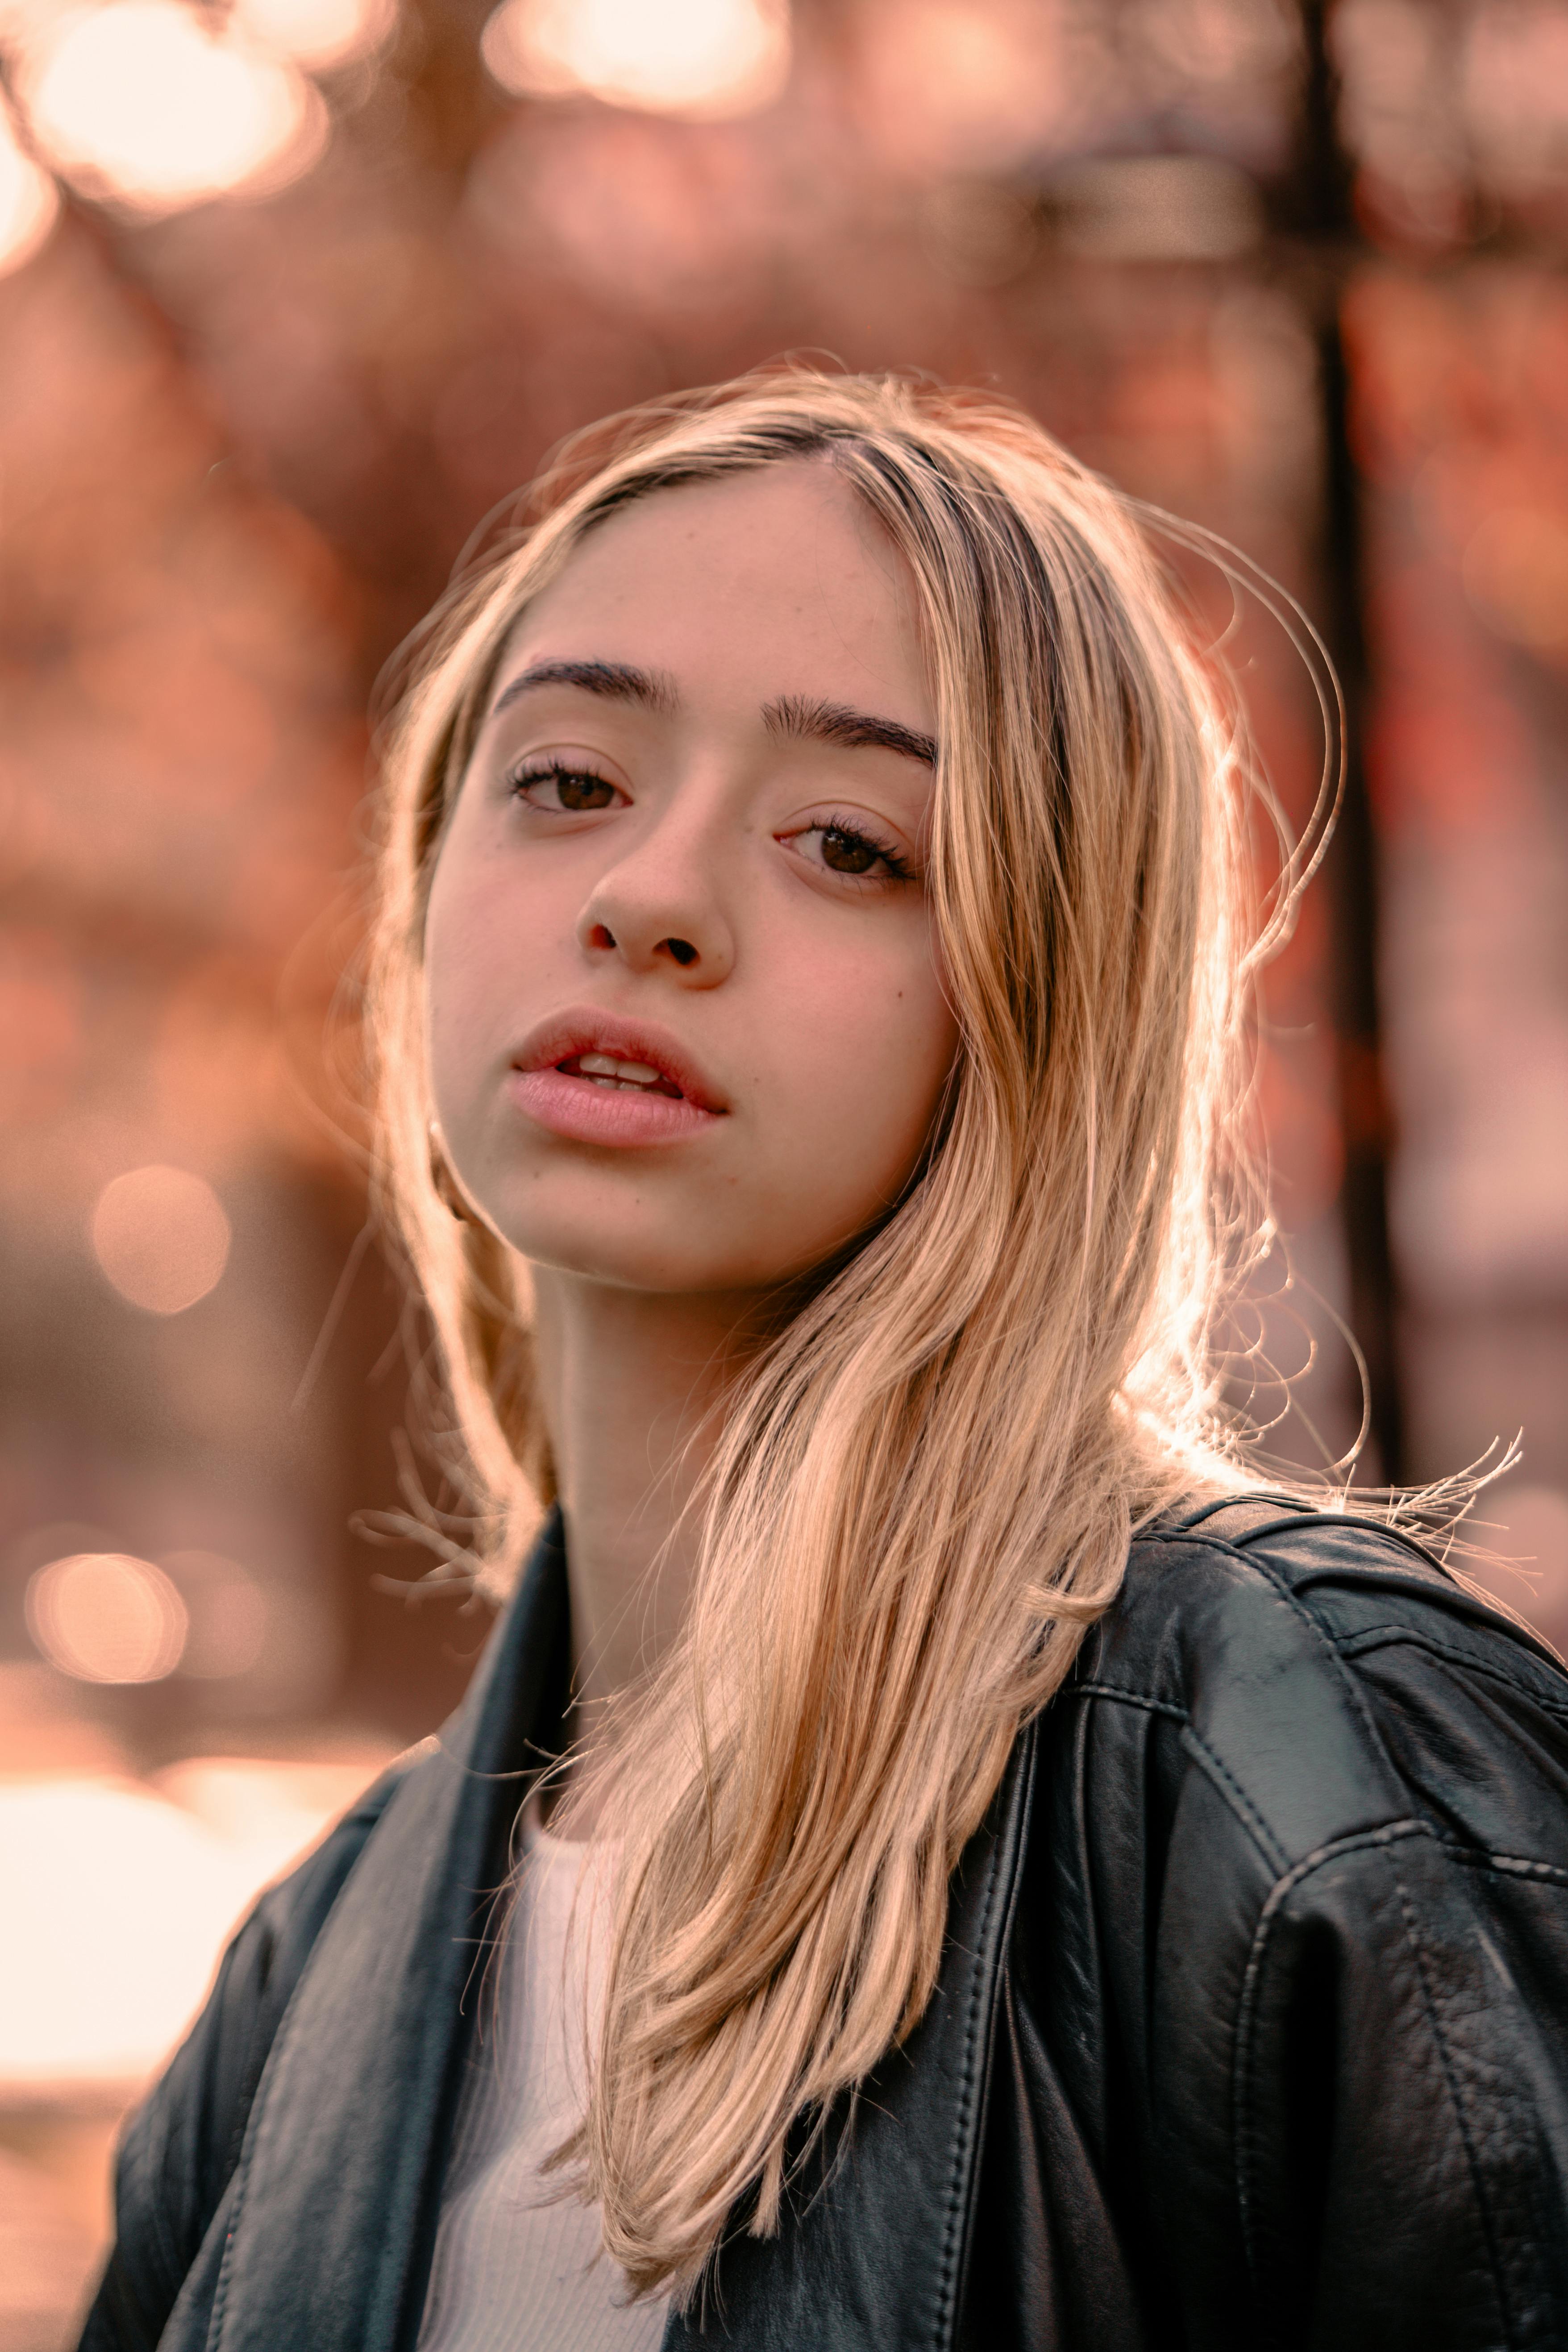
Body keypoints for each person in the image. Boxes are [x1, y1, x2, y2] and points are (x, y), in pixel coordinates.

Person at [82, 372, 1568, 2352]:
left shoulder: (1303, 1771)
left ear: (1038, 1001)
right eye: (572, 781)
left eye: (850, 842)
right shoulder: (306, 1984)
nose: (651, 898)